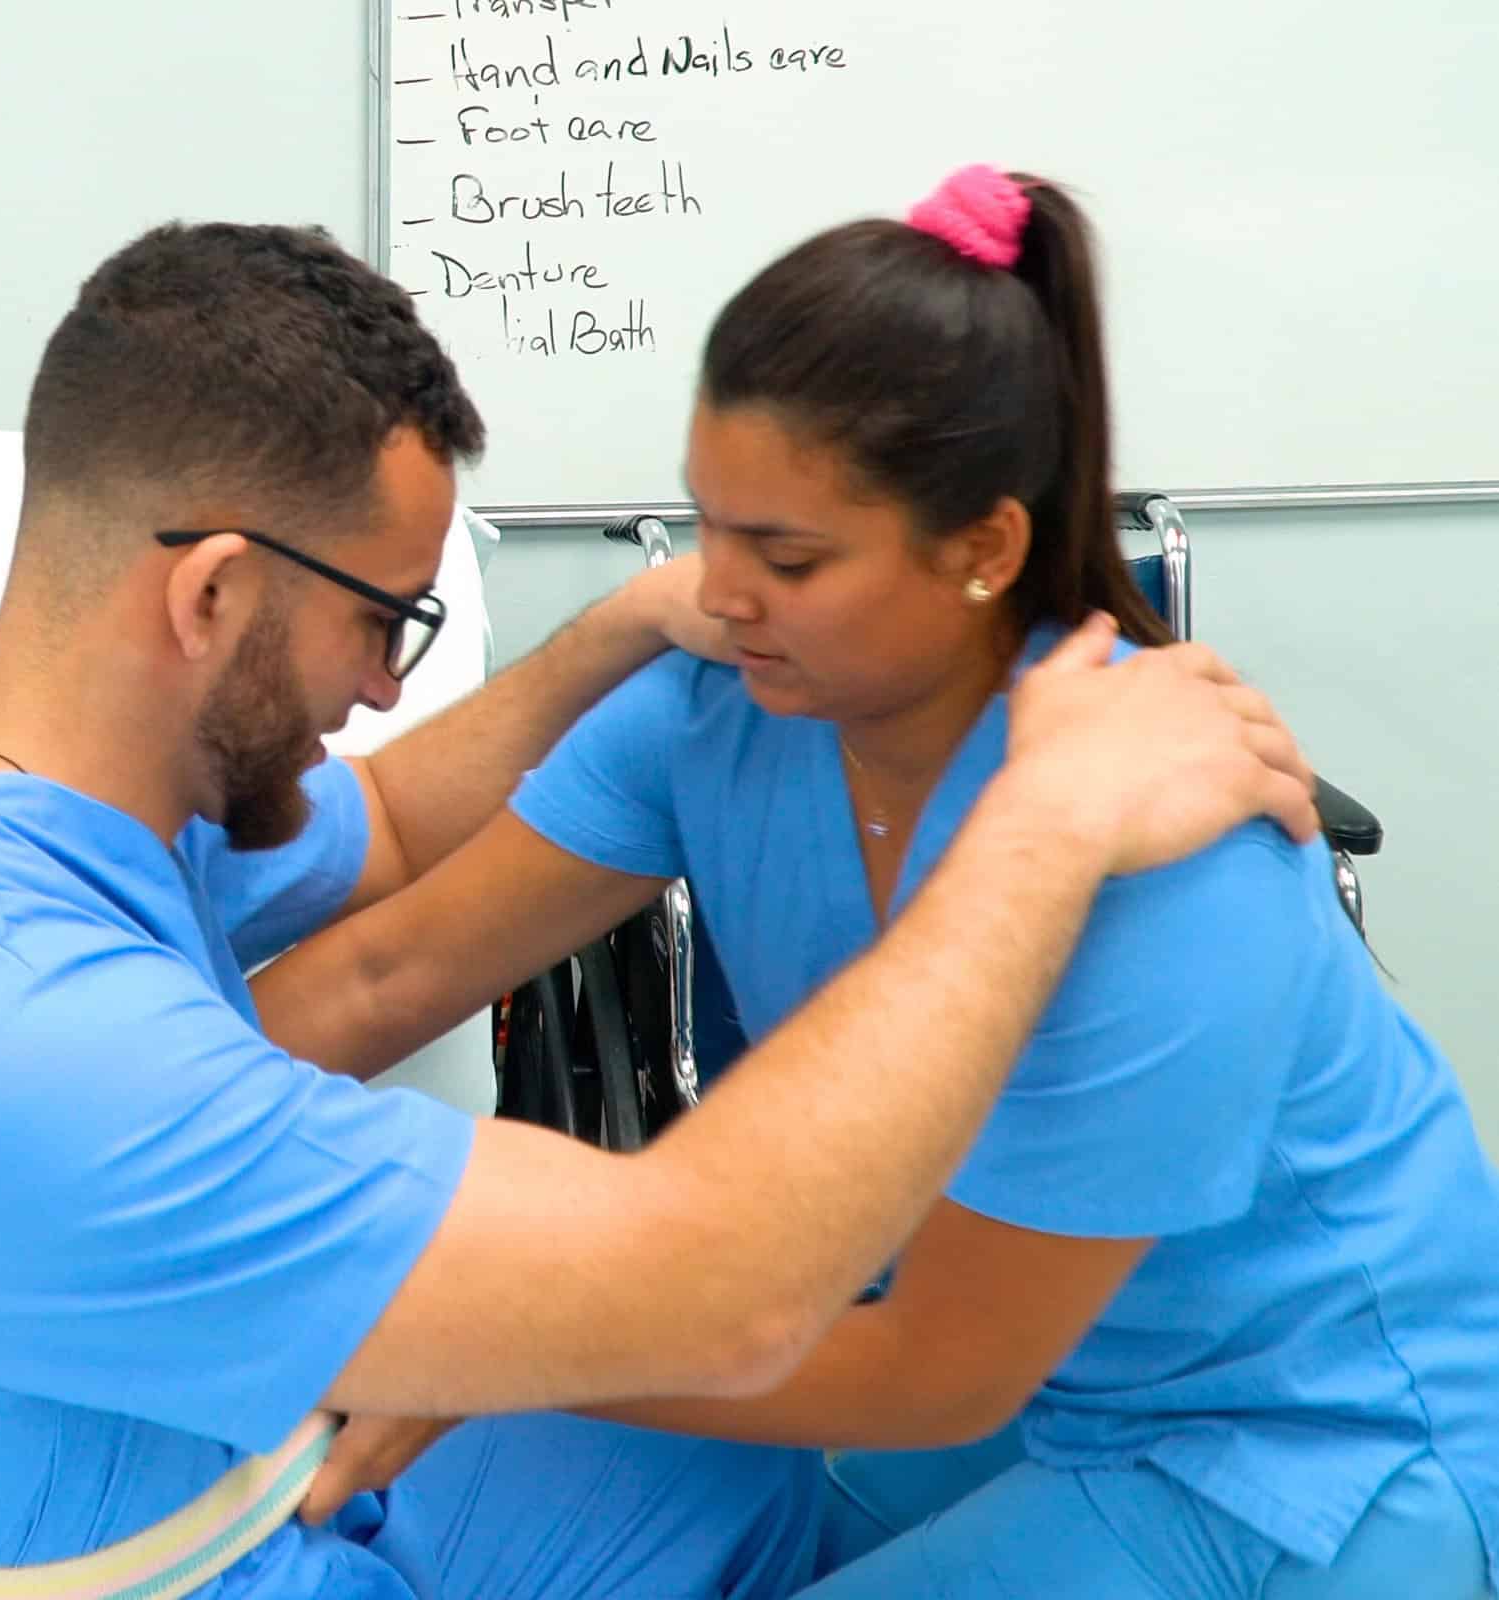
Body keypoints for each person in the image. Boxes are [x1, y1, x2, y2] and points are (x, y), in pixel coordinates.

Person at [0, 218, 1314, 1600]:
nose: (382, 684)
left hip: (109, 1442)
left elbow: (381, 837)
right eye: (382, 620)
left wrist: (616, 628)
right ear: (211, 593)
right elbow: (737, 1294)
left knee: (736, 1480)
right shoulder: (42, 1049)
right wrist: (1046, 822)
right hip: (183, 1544)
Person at [256, 169, 1499, 1600]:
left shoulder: (1164, 842)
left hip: (1300, 1450)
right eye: (707, 525)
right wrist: (91, 1159)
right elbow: (382, 975)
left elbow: (935, 1372)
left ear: (981, 548)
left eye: (785, 556)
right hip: (1032, 1389)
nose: (716, 593)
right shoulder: (715, 714)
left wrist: (502, 1344)